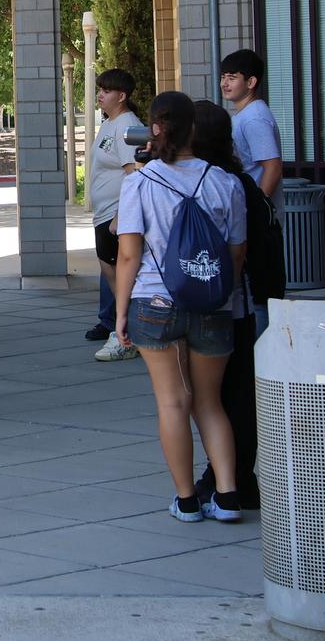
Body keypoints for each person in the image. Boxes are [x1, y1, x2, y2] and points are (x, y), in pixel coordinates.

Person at [113, 91, 248, 524]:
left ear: (154, 129)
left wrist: (120, 313)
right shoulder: (225, 182)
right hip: (212, 304)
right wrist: (218, 292)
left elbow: (128, 254)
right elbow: (236, 252)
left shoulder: (140, 182)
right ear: (193, 128)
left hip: (155, 303)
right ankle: (227, 497)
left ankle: (187, 501)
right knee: (210, 403)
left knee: (173, 403)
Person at [190, 100, 277, 509]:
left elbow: (238, 252)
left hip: (228, 303)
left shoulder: (218, 183)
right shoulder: (238, 181)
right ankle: (236, 477)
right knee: (235, 394)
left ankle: (228, 477)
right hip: (244, 302)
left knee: (221, 398)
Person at [88, 70, 146, 361]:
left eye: (107, 90)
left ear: (122, 96)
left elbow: (137, 173)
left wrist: (121, 215)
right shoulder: (111, 122)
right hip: (105, 214)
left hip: (116, 216)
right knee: (111, 272)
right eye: (100, 89)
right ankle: (129, 331)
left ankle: (129, 335)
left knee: (121, 277)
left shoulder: (128, 126)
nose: (100, 94)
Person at [220, 49, 284, 206]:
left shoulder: (254, 118)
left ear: (251, 82)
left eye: (231, 78)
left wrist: (260, 207)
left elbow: (273, 167)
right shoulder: (247, 114)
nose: (224, 84)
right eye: (222, 77)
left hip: (256, 213)